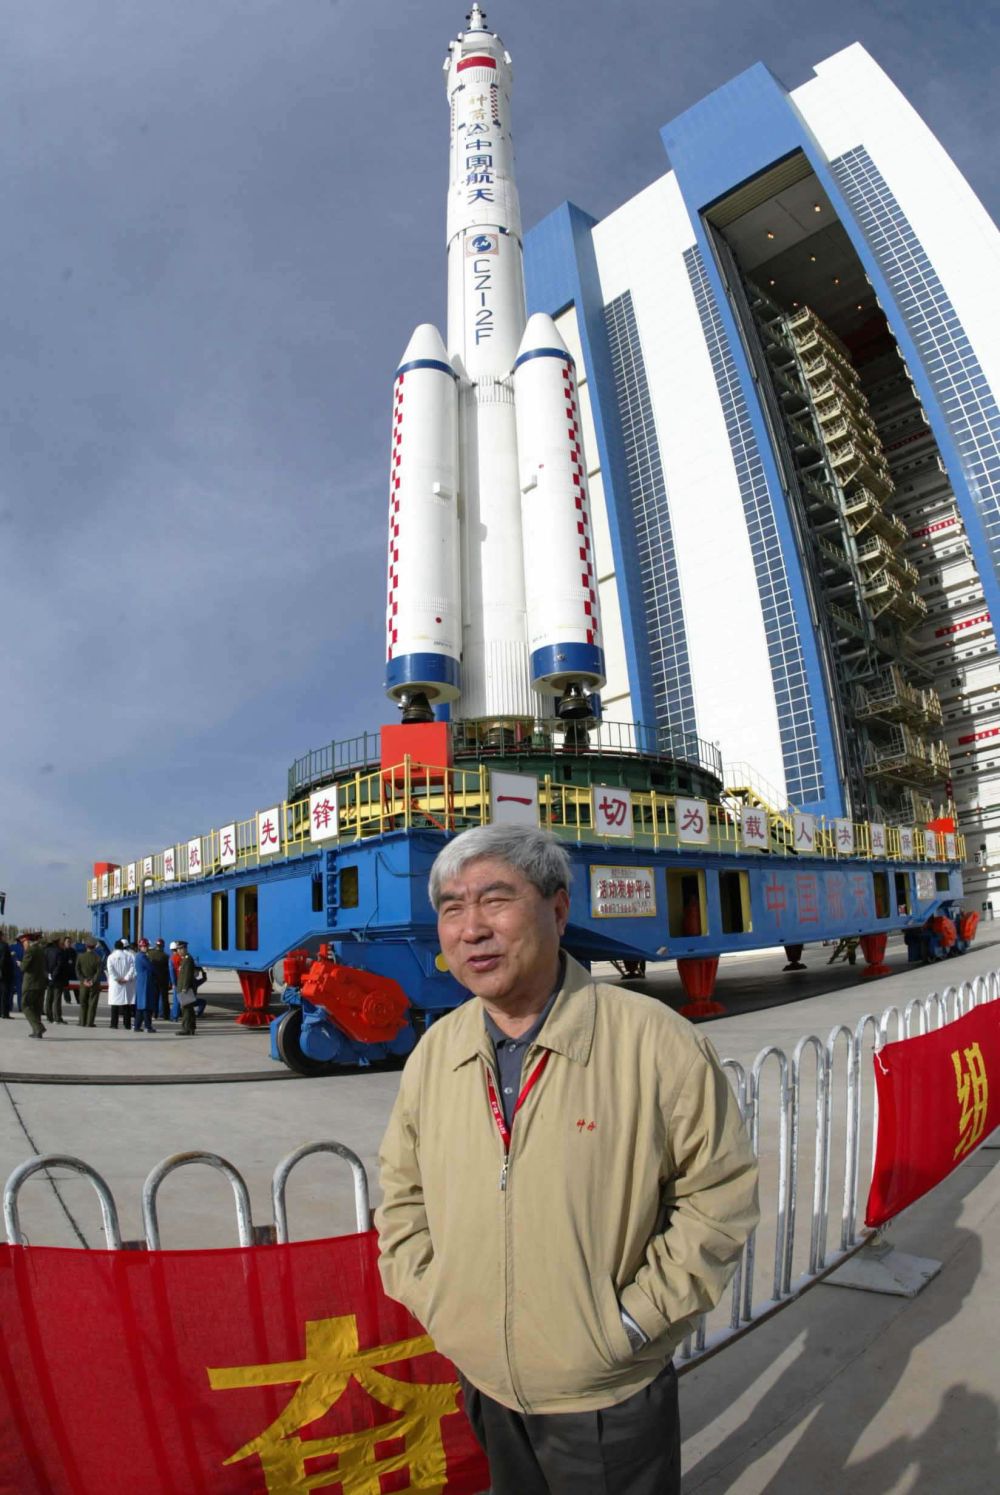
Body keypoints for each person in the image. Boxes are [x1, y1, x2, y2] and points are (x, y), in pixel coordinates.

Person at [376, 825, 760, 1495]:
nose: (472, 929)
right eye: (452, 907)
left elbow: (718, 1194)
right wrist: (439, 1303)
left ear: (558, 910)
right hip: (484, 1379)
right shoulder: (435, 1054)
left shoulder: (654, 1041)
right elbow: (402, 1192)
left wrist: (630, 1325)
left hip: (607, 1391)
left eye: (495, 899)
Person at [17, 931, 47, 1039]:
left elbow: (23, 968)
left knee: (25, 1005)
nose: (23, 945)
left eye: (23, 942)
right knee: (36, 1008)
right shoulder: (40, 950)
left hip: (30, 984)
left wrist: (20, 964)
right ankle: (37, 1032)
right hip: (41, 983)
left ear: (28, 941)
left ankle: (38, 1028)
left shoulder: (30, 951)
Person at [106, 940, 136, 1030]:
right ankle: (127, 1024)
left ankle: (114, 1024)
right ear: (123, 947)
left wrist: (117, 979)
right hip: (126, 983)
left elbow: (110, 970)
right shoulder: (129, 956)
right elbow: (132, 968)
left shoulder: (111, 957)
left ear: (115, 947)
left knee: (114, 1004)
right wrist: (126, 978)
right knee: (126, 1004)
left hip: (115, 984)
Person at [75, 939, 103, 1027]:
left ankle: (82, 1021)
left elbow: (77, 970)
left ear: (86, 946)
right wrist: (92, 981)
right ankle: (89, 1022)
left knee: (83, 1003)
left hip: (83, 983)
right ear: (94, 947)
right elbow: (98, 972)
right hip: (94, 984)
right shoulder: (98, 958)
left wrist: (83, 980)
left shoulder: (80, 957)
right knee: (92, 1003)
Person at [133, 939, 158, 1034]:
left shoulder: (139, 956)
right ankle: (148, 1026)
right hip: (145, 982)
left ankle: (137, 1026)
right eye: (145, 946)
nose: (146, 948)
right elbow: (151, 967)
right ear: (141, 947)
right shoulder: (142, 957)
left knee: (140, 1006)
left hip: (142, 982)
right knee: (146, 1005)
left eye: (146, 946)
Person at [174, 941, 198, 1036]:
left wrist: (185, 988)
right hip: (185, 987)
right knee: (189, 1009)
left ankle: (186, 1029)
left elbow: (187, 975)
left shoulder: (187, 960)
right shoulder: (185, 959)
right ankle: (191, 1028)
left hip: (185, 989)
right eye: (177, 949)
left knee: (186, 1009)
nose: (178, 951)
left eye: (180, 949)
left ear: (185, 949)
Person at [148, 938, 172, 1022]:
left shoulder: (150, 954)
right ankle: (166, 1015)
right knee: (165, 998)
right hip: (163, 980)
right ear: (163, 946)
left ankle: (154, 1014)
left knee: (154, 997)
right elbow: (168, 969)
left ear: (156, 945)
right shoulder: (166, 956)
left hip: (154, 979)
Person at [43, 936, 62, 1024]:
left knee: (49, 998)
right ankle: (57, 1017)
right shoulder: (59, 951)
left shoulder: (46, 951)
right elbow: (59, 965)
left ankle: (49, 1017)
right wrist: (54, 975)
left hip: (48, 977)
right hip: (57, 978)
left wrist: (48, 974)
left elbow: (44, 964)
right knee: (56, 999)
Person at [0, 935, 14, 1019]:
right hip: (5, 974)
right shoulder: (4, 946)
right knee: (5, 994)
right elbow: (3, 959)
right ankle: (4, 1013)